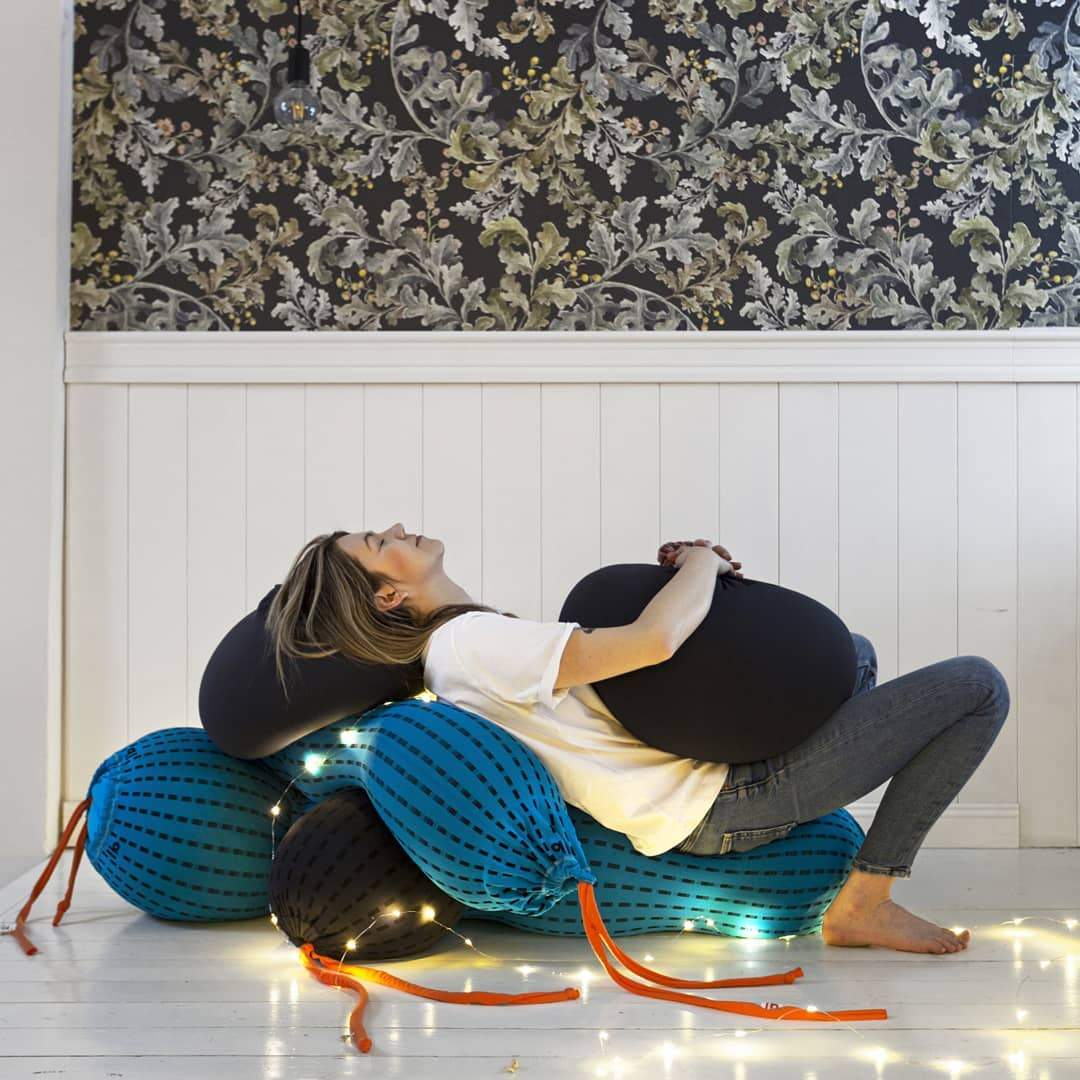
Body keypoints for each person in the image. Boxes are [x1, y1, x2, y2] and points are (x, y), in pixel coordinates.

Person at [265, 524, 1010, 957]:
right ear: (388, 595)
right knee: (977, 686)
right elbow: (652, 642)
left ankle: (830, 811)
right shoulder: (470, 644)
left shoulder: (455, 655)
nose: (396, 527)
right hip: (720, 806)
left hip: (700, 790)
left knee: (855, 653)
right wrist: (704, 565)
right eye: (376, 541)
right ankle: (866, 900)